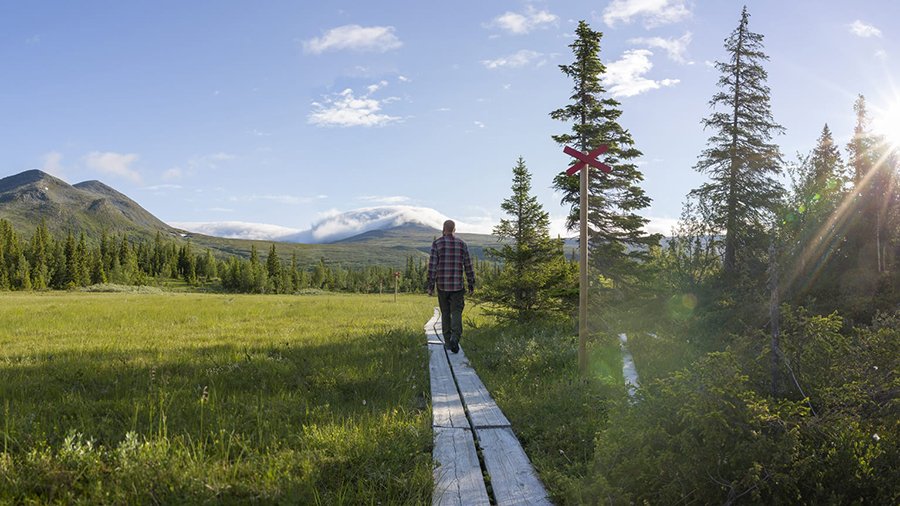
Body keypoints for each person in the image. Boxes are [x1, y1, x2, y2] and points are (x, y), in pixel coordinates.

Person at [427, 219, 475, 353]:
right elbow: (468, 266)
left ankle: (448, 342)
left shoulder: (437, 244)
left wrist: (430, 286)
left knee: (445, 313)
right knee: (456, 312)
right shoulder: (462, 244)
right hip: (457, 286)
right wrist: (471, 283)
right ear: (454, 229)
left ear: (443, 229)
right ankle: (455, 338)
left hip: (442, 285)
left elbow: (432, 267)